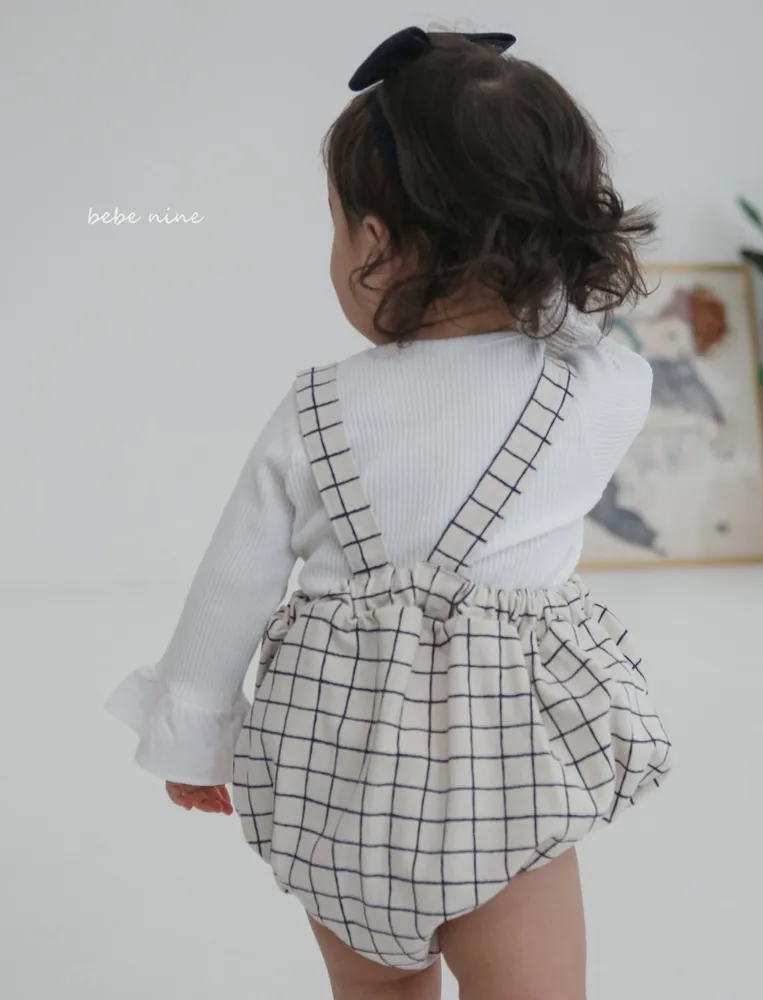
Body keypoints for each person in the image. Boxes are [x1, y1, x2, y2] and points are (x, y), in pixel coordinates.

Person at [106, 26, 672, 1000]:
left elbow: (233, 581)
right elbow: (584, 331)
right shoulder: (597, 388)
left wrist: (194, 737)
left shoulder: (317, 407)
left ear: (374, 243)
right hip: (504, 781)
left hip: (336, 778)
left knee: (373, 990)